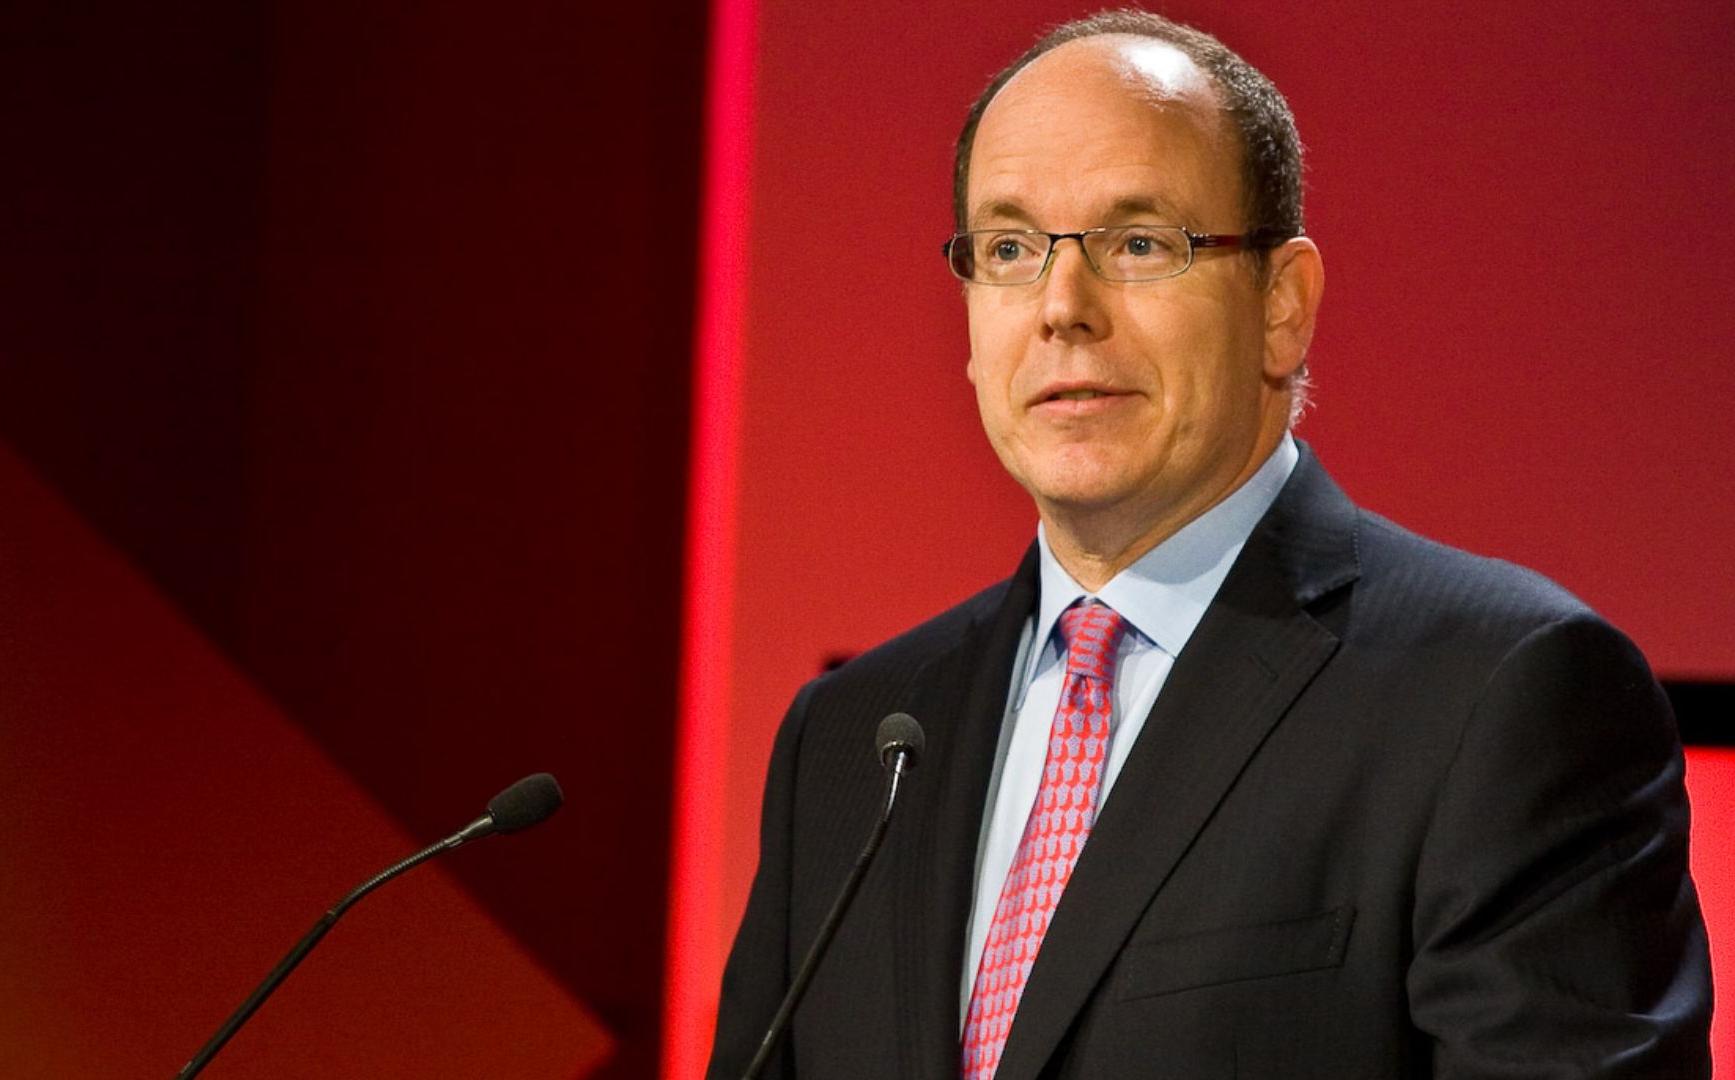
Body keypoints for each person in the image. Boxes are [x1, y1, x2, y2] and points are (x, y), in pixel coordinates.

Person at [705, 9, 1713, 1079]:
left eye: (1139, 244)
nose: (1061, 307)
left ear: (1283, 306)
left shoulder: (1503, 697)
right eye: (1009, 250)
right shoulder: (851, 740)